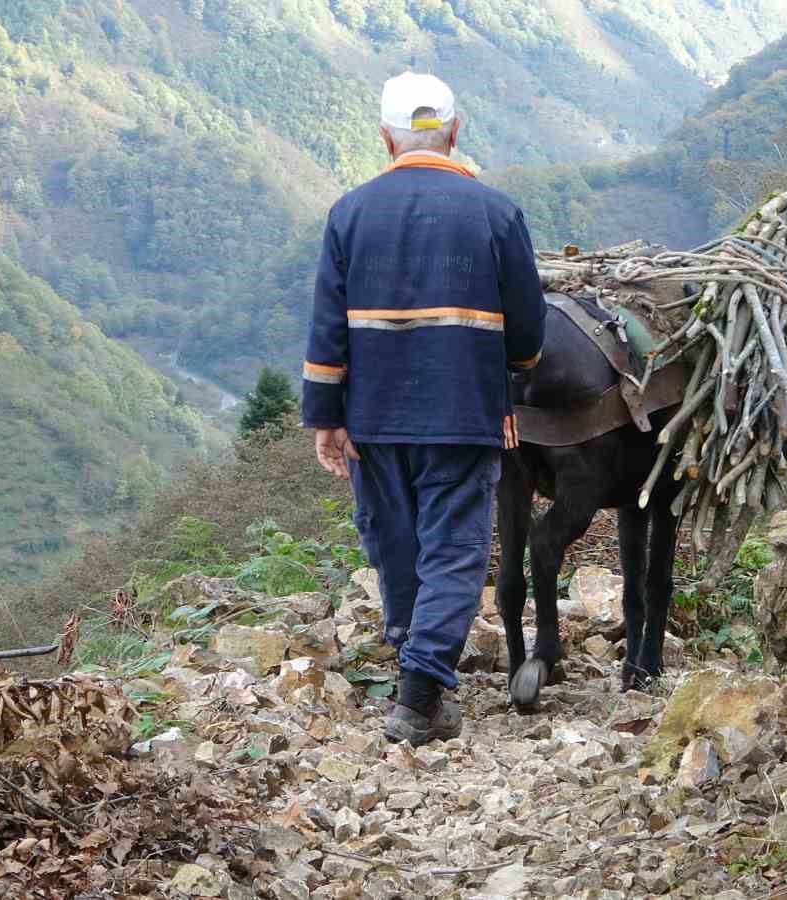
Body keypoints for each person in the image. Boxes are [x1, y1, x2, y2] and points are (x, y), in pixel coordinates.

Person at [300, 71, 545, 746]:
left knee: (396, 542)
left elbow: (327, 328)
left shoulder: (349, 213)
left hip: (374, 417)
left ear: (385, 137)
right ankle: (419, 691)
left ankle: (417, 679)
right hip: (464, 412)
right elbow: (527, 329)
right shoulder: (496, 213)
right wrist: (510, 390)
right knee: (454, 552)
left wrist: (326, 415)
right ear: (455, 131)